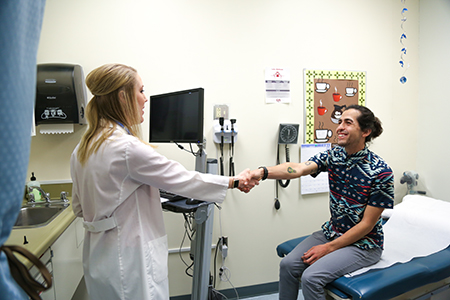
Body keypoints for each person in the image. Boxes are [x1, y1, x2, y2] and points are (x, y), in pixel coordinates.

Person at [70, 63, 258, 300]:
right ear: (122, 97)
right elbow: (180, 178)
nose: (145, 99)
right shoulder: (126, 148)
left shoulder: (83, 148)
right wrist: (234, 181)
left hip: (99, 257)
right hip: (130, 260)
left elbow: (79, 207)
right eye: (140, 91)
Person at [250, 105, 394, 300]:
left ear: (366, 132)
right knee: (288, 265)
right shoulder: (334, 155)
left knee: (311, 277)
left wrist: (329, 247)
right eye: (340, 121)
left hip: (365, 244)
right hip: (332, 231)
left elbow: (367, 225)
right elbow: (298, 168)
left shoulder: (381, 172)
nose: (340, 127)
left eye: (348, 123)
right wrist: (262, 172)